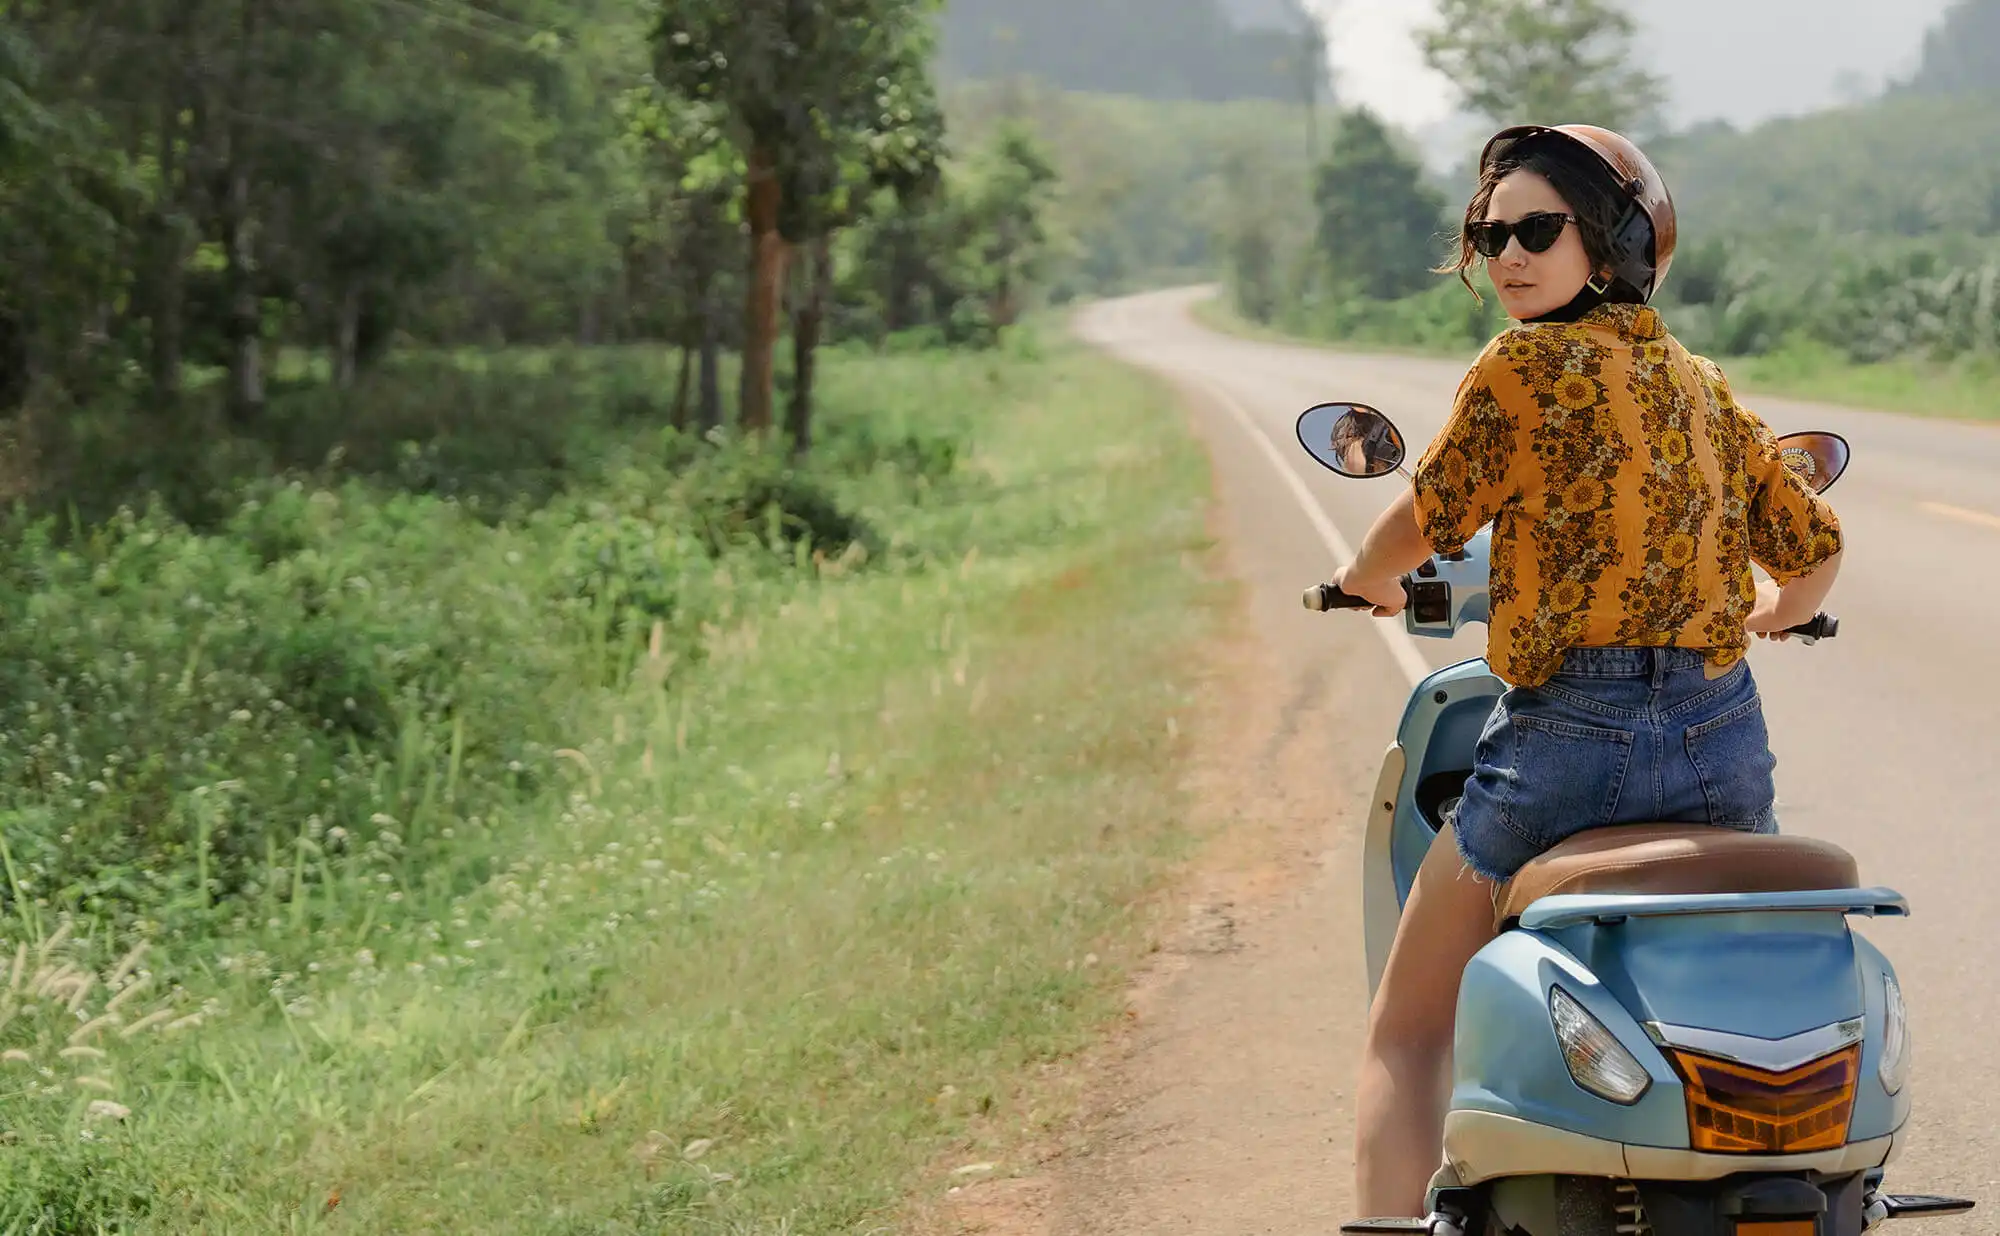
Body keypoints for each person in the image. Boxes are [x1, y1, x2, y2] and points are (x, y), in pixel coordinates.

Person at [1325, 124, 1846, 1222]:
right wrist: (1772, 612)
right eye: (1487, 233)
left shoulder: (1519, 368)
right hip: (1719, 749)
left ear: (1606, 242)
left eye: (1533, 228)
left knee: (1406, 1027)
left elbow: (1423, 518)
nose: (1505, 252)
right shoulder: (1697, 382)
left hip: (1561, 750)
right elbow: (1811, 550)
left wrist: (1360, 581)